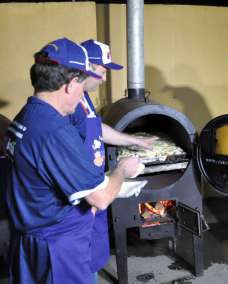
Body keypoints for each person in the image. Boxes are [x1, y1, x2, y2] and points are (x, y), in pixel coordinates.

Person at [4, 37, 144, 284]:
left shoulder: (26, 115)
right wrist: (122, 170)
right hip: (57, 248)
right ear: (70, 84)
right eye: (82, 84)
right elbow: (100, 198)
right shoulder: (55, 130)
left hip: (29, 239)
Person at [69, 39, 154, 281]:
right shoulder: (70, 105)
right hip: (85, 198)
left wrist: (134, 141)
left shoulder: (83, 98)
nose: (105, 78)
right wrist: (122, 171)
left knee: (93, 256)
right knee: (81, 266)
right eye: (102, 71)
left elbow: (97, 128)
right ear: (85, 68)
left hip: (95, 192)